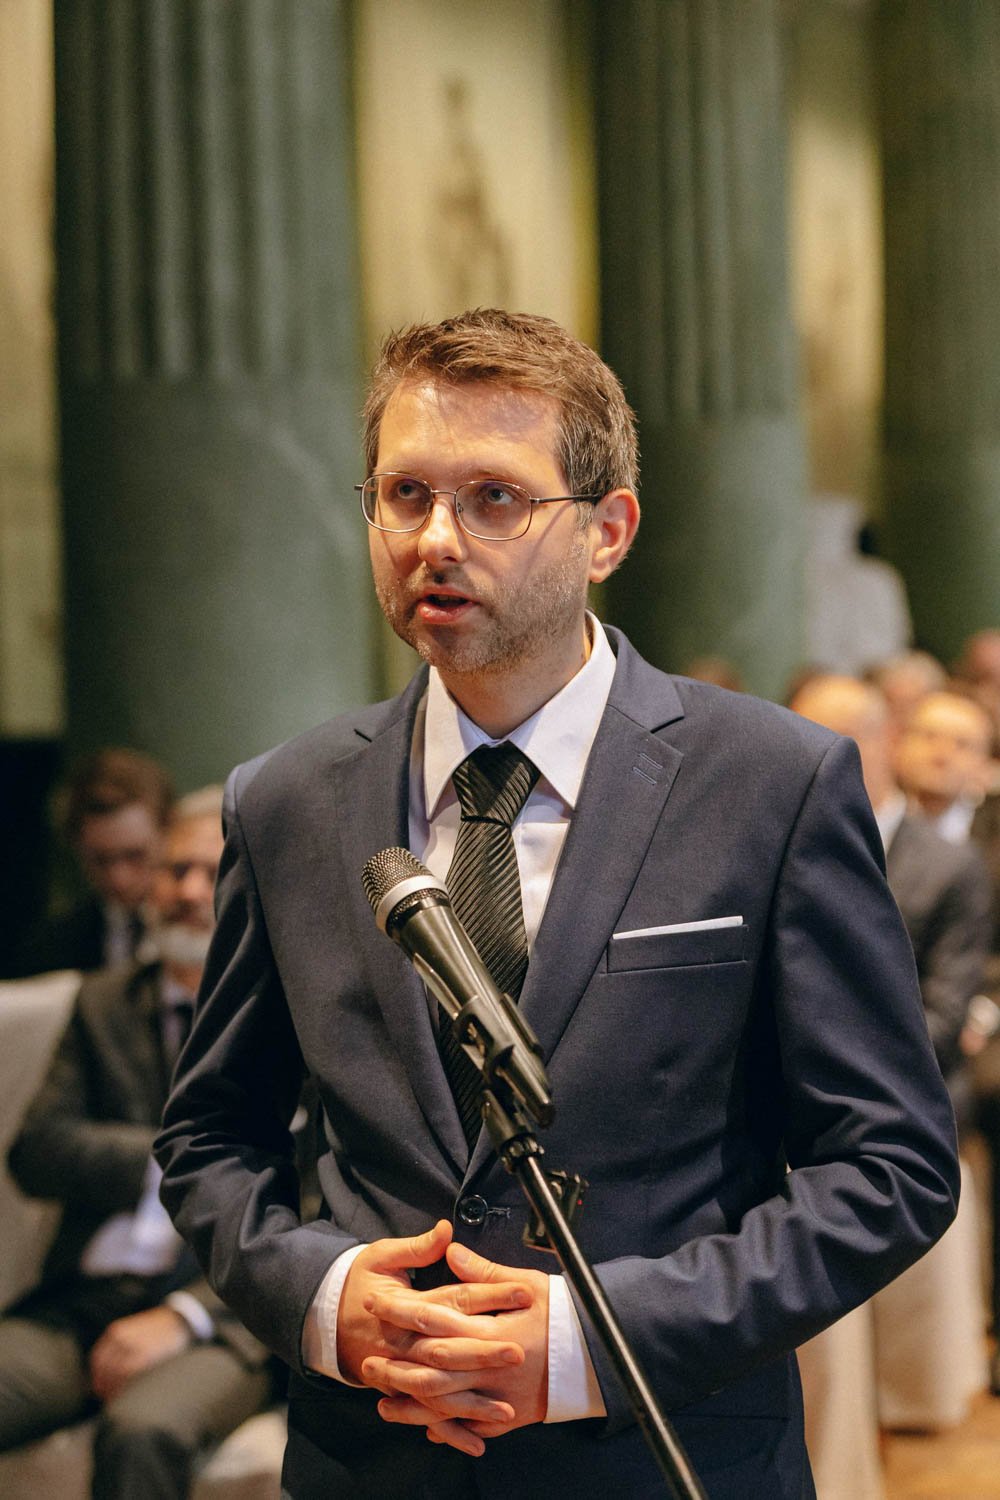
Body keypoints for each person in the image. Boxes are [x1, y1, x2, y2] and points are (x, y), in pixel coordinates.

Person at [156, 309, 958, 1500]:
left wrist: (598, 1338)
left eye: (494, 498)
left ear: (606, 531)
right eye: (406, 494)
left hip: (656, 1452)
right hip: (379, 1458)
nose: (436, 538)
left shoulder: (771, 782)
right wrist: (323, 1299)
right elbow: (211, 1140)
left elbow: (890, 1166)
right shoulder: (284, 801)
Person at [0, 788, 273, 1499]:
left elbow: (307, 1196)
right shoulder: (103, 1004)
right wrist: (169, 1159)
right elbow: (36, 1150)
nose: (187, 891)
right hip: (85, 1299)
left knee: (142, 1432)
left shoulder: (287, 1016)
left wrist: (184, 1316)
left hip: (219, 1311)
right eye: (173, 870)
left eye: (210, 873)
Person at [14, 748, 175, 977]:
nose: (119, 879)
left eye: (135, 855)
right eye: (100, 860)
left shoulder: (210, 932)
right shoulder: (49, 947)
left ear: (170, 836)